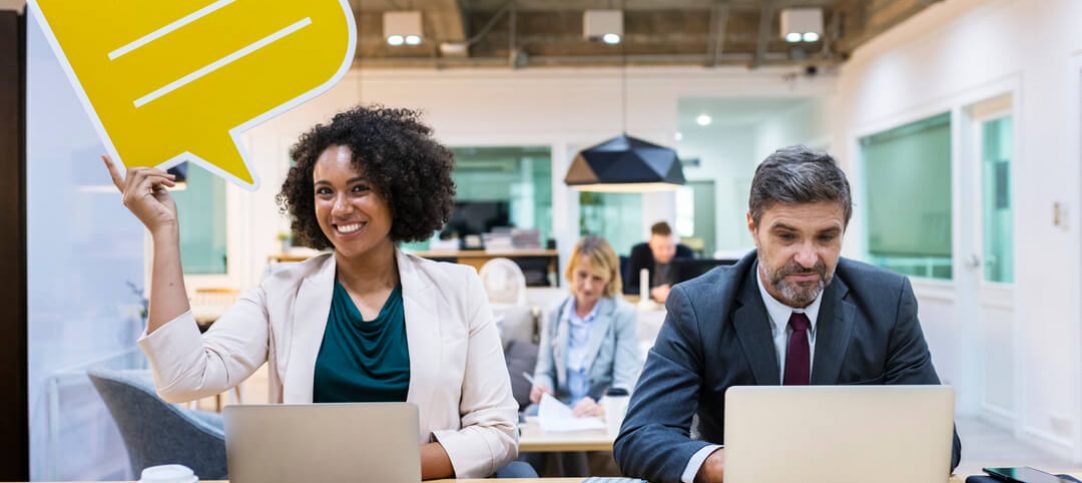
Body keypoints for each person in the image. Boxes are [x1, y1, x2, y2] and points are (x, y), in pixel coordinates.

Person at [104, 106, 521, 479]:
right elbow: (182, 379)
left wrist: (386, 469)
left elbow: (498, 431)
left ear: (396, 193)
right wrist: (164, 232)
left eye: (359, 188)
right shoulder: (281, 290)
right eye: (325, 191)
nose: (339, 207)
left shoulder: (457, 289)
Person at [612, 145, 962, 483]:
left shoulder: (887, 301)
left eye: (826, 237)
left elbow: (940, 443)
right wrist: (724, 464)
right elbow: (640, 436)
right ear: (753, 227)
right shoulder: (698, 306)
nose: (807, 258)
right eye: (787, 236)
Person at [526, 236, 639, 476]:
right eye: (582, 275)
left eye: (597, 278)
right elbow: (544, 369)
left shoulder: (623, 314)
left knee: (572, 438)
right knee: (525, 424)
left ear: (609, 278)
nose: (587, 286)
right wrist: (542, 385)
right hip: (561, 407)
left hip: (598, 410)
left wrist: (600, 406)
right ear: (571, 272)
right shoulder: (556, 312)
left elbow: (625, 382)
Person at [624, 221, 693, 303]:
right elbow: (628, 288)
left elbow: (692, 286)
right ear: (651, 245)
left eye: (670, 247)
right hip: (648, 305)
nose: (665, 253)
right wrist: (652, 292)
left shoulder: (685, 253)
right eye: (660, 248)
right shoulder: (639, 253)